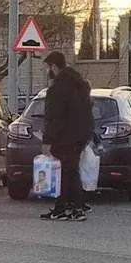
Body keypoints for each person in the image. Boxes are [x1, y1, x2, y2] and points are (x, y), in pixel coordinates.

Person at [40, 51, 94, 221]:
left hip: (66, 136)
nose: (47, 71)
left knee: (70, 171)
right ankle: (64, 206)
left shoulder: (57, 88)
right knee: (69, 170)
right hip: (82, 134)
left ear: (54, 67)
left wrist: (47, 140)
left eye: (48, 67)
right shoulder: (80, 84)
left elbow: (54, 116)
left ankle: (76, 208)